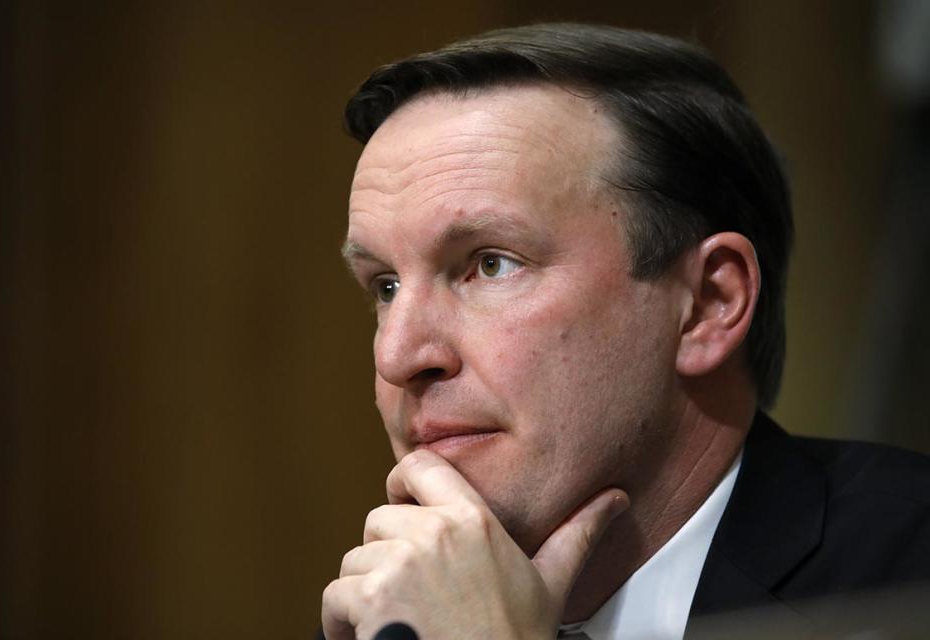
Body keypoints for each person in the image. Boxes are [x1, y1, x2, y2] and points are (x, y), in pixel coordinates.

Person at [321, 23, 930, 639]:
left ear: (707, 305)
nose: (398, 356)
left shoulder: (907, 574)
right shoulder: (392, 615)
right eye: (385, 286)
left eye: (490, 264)